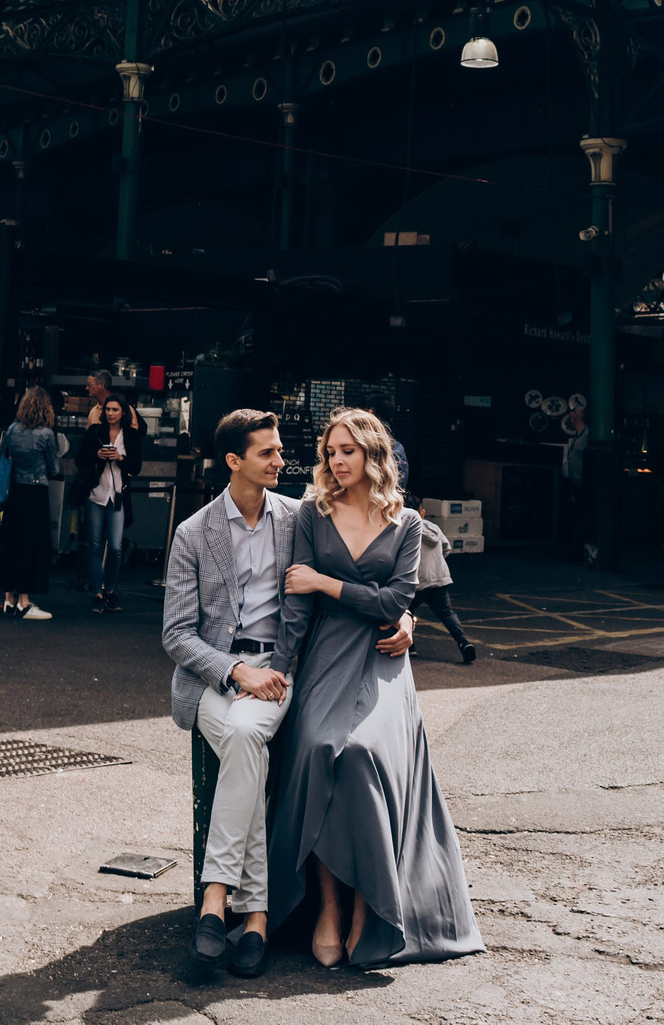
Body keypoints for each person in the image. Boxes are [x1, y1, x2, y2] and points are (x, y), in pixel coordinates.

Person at [269, 407, 479, 969]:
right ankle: (329, 908)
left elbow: (394, 603)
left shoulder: (408, 522)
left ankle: (369, 904)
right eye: (330, 452)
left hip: (385, 657)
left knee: (363, 754)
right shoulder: (313, 513)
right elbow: (295, 602)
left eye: (348, 451)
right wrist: (281, 670)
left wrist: (327, 582)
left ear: (373, 455)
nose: (336, 462)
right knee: (316, 748)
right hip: (327, 653)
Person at [163, 408, 327, 978]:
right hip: (215, 678)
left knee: (241, 736)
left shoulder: (297, 518)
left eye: (280, 451)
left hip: (278, 672)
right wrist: (236, 671)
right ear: (234, 461)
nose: (282, 461)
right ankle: (254, 911)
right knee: (240, 738)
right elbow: (176, 634)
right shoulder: (193, 533)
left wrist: (271, 669)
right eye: (268, 453)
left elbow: (316, 596)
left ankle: (216, 902)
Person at [0, 386, 61, 619]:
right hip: (35, 493)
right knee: (33, 545)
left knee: (11, 542)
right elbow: (54, 467)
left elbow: (1, 457)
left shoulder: (12, 430)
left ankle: (8, 598)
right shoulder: (46, 435)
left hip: (14, 492)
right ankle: (25, 602)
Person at [78, 395, 142, 613]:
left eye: (115, 409)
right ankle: (97, 592)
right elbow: (80, 459)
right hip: (96, 493)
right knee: (95, 545)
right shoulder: (95, 432)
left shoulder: (131, 436)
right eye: (107, 409)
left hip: (117, 494)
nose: (110, 413)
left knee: (115, 547)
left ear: (123, 412)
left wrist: (120, 458)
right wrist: (97, 455)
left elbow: (137, 466)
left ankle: (111, 590)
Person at [411, 509, 476, 663]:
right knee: (447, 614)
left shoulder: (405, 527)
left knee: (405, 611)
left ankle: (410, 646)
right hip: (439, 578)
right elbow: (446, 548)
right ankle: (464, 643)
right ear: (422, 512)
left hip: (417, 581)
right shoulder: (433, 527)